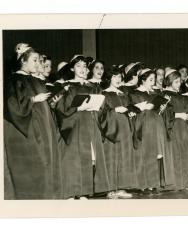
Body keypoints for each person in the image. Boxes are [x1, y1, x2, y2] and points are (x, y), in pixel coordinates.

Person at [5, 44, 62, 199]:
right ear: (23, 60)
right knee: (35, 167)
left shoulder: (34, 80)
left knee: (47, 165)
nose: (39, 64)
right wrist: (34, 99)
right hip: (28, 131)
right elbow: (12, 106)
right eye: (35, 60)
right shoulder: (15, 79)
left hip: (43, 130)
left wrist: (51, 103)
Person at [55, 55, 109, 199]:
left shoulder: (93, 86)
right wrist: (78, 108)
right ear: (72, 68)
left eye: (84, 66)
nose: (82, 69)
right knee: (74, 159)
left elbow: (103, 107)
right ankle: (72, 193)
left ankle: (84, 191)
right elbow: (61, 109)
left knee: (89, 158)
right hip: (75, 124)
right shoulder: (67, 86)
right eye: (78, 66)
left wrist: (98, 105)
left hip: (91, 123)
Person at [129, 68, 175, 193]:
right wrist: (143, 108)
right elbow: (133, 111)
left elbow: (160, 110)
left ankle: (153, 183)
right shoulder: (135, 93)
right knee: (146, 153)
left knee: (156, 154)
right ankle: (144, 183)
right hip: (145, 125)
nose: (153, 82)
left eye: (154, 79)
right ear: (143, 80)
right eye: (150, 79)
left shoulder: (155, 94)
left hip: (157, 124)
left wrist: (163, 106)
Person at [99, 65, 137, 198]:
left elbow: (129, 109)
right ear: (109, 78)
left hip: (125, 128)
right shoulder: (103, 94)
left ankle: (121, 187)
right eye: (114, 76)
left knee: (124, 157)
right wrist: (114, 111)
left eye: (119, 76)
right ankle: (110, 189)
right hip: (112, 130)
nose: (118, 79)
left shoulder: (124, 94)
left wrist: (132, 113)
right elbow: (101, 114)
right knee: (111, 158)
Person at [163, 70, 188, 189]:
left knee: (185, 152)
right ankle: (177, 183)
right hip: (174, 127)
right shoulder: (165, 95)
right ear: (169, 81)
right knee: (176, 153)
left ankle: (186, 181)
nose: (178, 84)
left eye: (179, 82)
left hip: (183, 126)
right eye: (176, 82)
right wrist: (179, 115)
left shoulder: (178, 95)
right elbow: (165, 114)